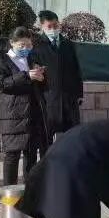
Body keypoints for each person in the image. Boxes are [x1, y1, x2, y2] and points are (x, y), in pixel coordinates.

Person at [0, 26, 50, 185]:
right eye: (22, 45)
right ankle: (9, 192)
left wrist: (42, 77)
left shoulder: (32, 59)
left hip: (33, 113)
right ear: (12, 43)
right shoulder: (2, 59)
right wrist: (26, 76)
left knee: (31, 154)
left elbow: (42, 85)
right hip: (14, 115)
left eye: (29, 45)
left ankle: (29, 191)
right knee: (12, 155)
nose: (26, 48)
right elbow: (1, 84)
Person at [32, 10, 83, 138]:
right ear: (42, 26)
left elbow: (76, 70)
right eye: (49, 26)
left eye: (55, 25)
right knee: (47, 136)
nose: (53, 29)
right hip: (49, 98)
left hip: (69, 98)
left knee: (72, 135)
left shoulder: (68, 45)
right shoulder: (37, 46)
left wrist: (79, 94)